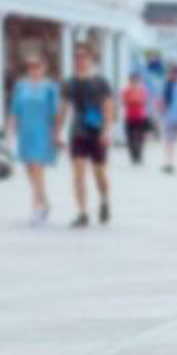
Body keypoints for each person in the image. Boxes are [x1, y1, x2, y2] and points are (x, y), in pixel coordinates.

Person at [57, 41, 114, 228]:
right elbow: (63, 109)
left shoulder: (101, 82)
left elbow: (108, 108)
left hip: (97, 132)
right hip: (78, 132)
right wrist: (57, 132)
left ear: (91, 59)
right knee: (78, 173)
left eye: (83, 56)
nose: (79, 60)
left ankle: (104, 199)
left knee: (99, 175)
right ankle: (82, 212)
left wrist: (106, 131)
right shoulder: (69, 83)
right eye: (76, 57)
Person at [7, 54, 59, 225]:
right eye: (30, 66)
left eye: (37, 66)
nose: (34, 69)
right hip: (25, 133)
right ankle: (46, 203)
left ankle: (35, 209)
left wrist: (56, 134)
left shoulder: (50, 87)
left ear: (44, 67)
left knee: (38, 170)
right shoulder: (21, 86)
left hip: (42, 133)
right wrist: (10, 133)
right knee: (30, 171)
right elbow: (14, 110)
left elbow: (55, 113)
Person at [121, 71, 150, 164]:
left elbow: (142, 101)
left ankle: (139, 155)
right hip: (129, 117)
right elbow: (124, 102)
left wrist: (133, 100)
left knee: (140, 137)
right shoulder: (126, 91)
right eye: (132, 81)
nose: (134, 82)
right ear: (129, 81)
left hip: (140, 117)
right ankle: (133, 155)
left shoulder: (142, 91)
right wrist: (134, 100)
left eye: (136, 81)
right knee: (130, 138)